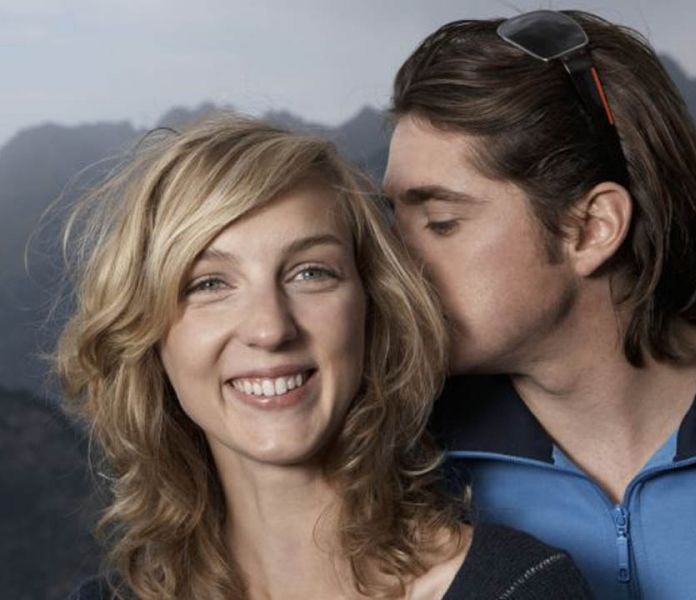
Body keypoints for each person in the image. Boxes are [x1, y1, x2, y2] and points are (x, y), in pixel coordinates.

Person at [58, 116, 590, 599]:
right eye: (210, 283)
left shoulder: (517, 589)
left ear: (373, 309)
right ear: (148, 334)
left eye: (311, 273)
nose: (270, 329)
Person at [383, 9, 696, 600]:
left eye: (441, 222)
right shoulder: (400, 466)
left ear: (591, 228)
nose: (391, 263)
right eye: (390, 221)